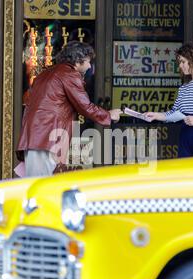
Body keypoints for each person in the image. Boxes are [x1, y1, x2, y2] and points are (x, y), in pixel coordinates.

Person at [17, 41, 122, 177]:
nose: (90, 66)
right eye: (88, 61)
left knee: (37, 182)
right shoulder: (69, 74)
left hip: (36, 136)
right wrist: (108, 115)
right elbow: (84, 106)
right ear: (78, 61)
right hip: (45, 137)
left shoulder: (46, 74)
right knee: (39, 186)